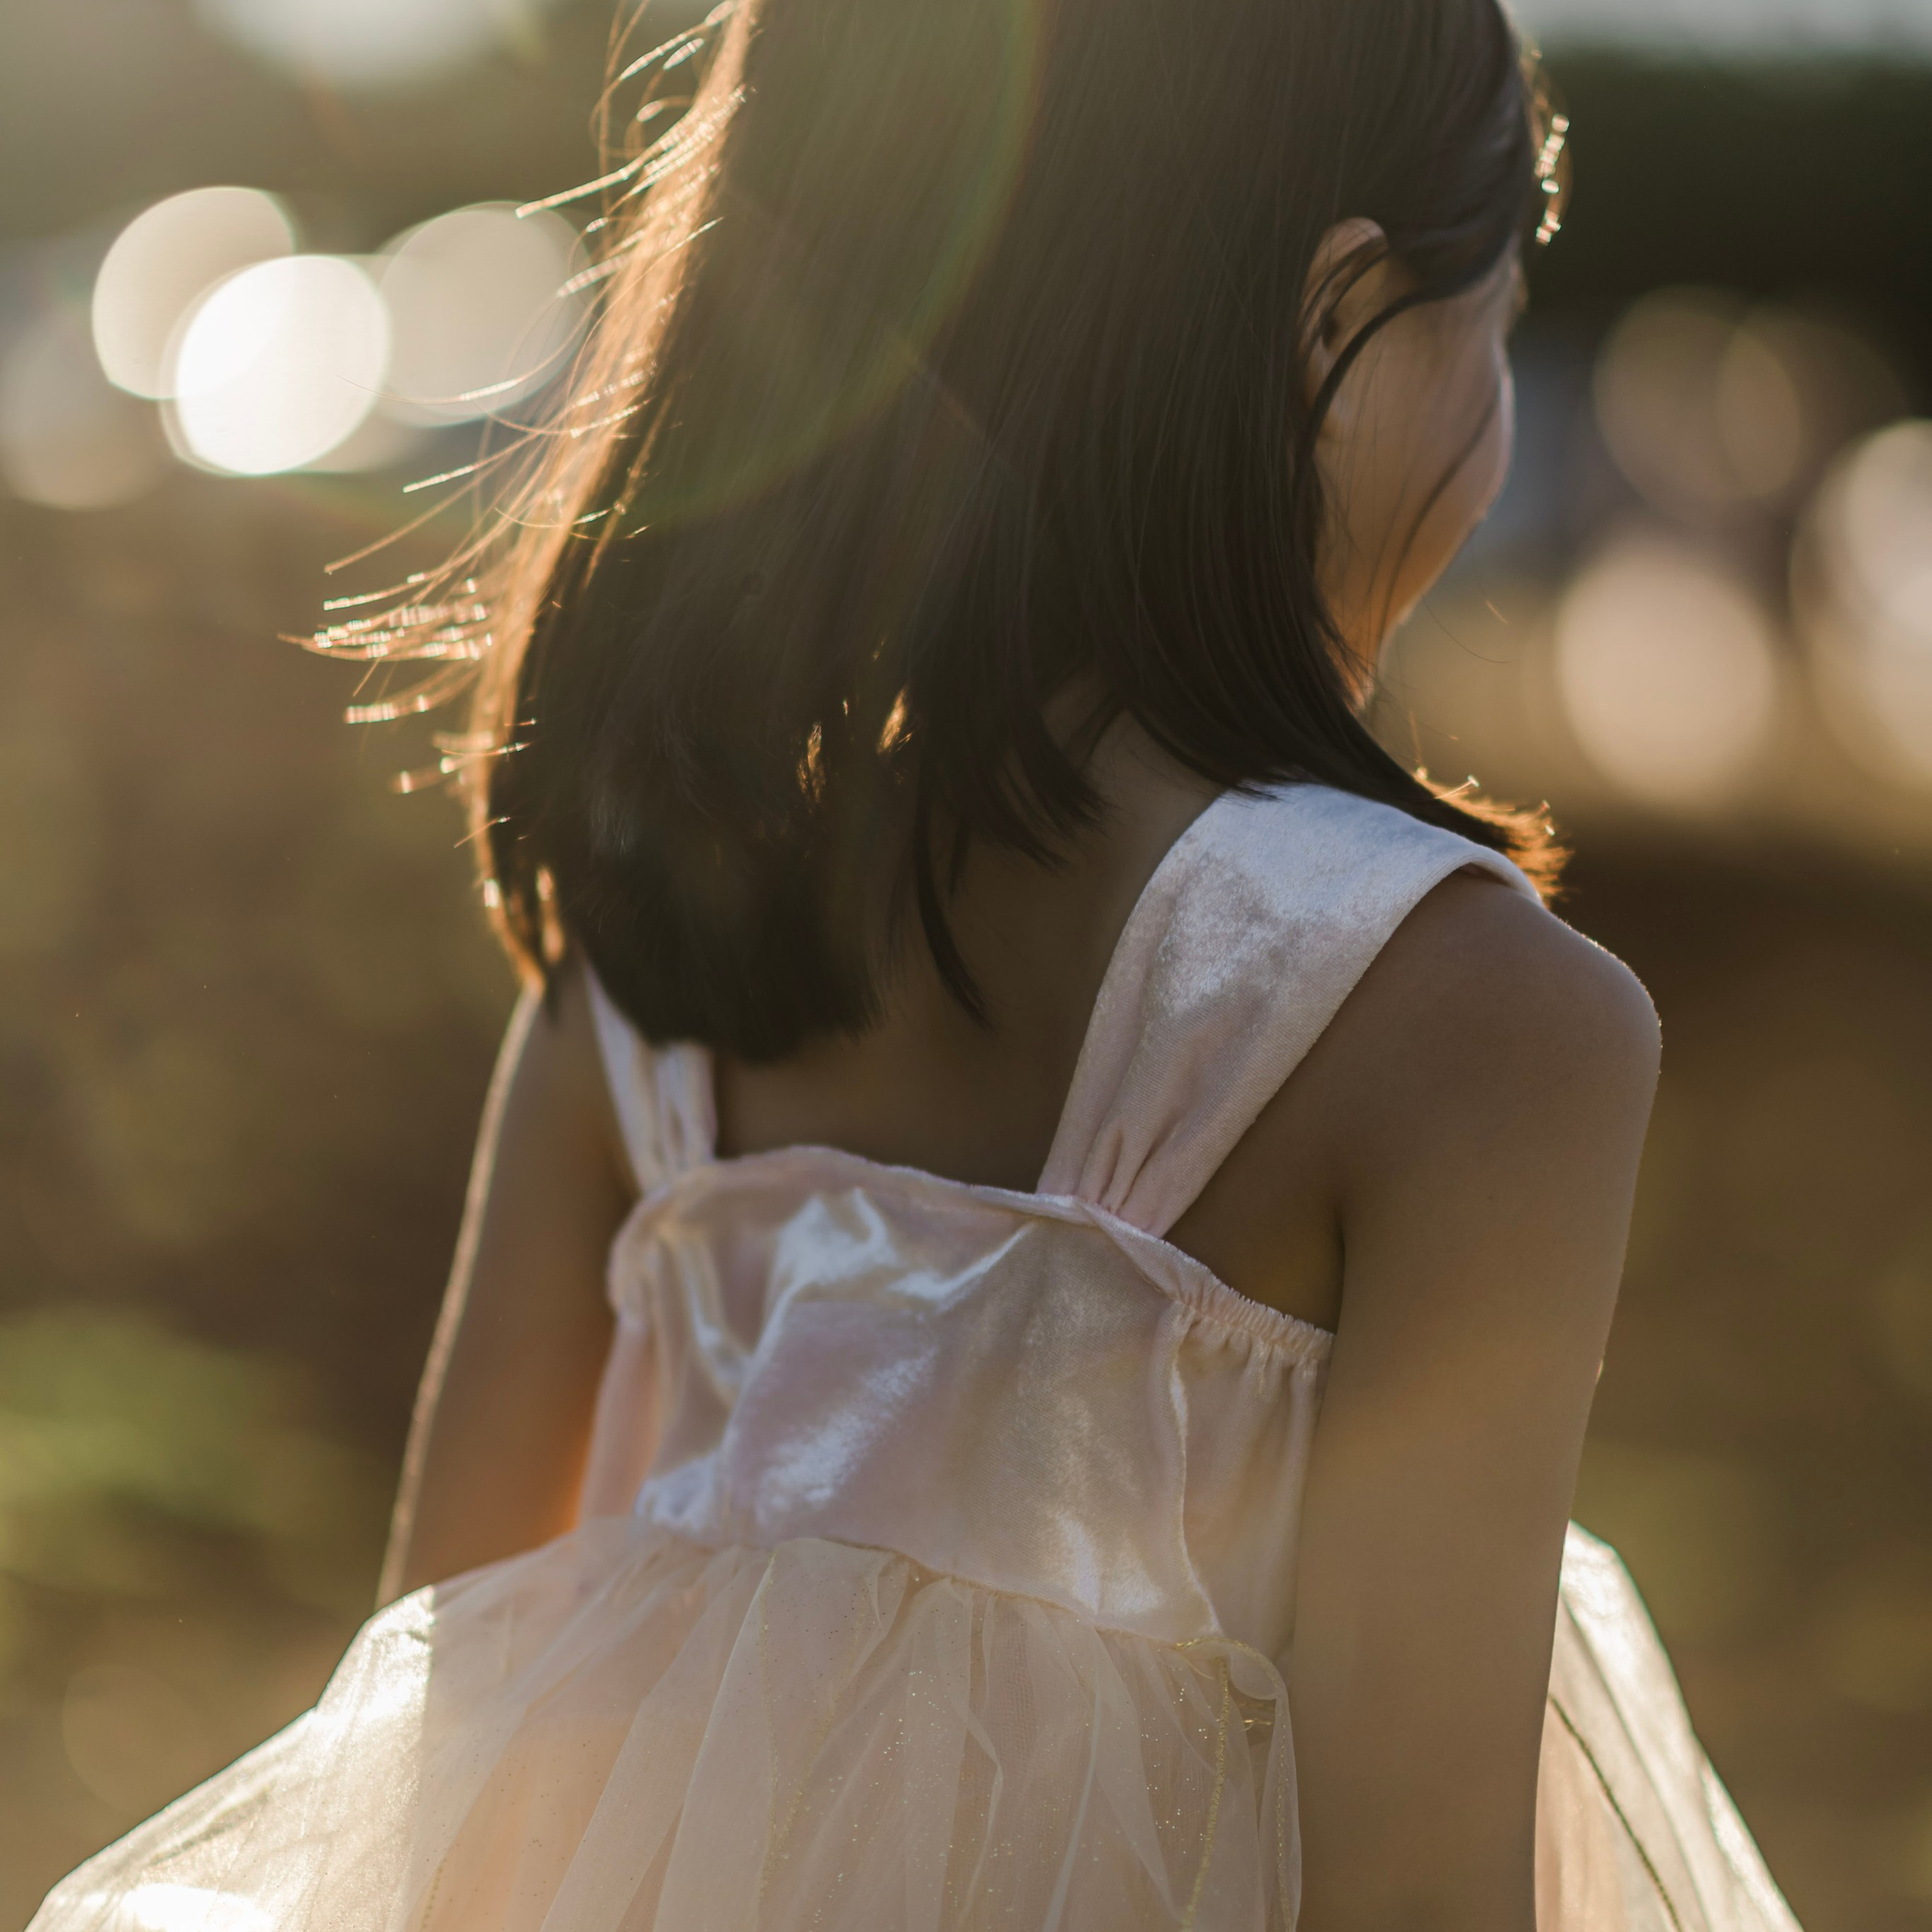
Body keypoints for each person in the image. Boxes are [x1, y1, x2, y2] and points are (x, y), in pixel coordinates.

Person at [34, 0, 1801, 1927]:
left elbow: (437, 1759)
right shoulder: (1471, 1021)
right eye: (1500, 310)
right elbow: (1413, 1890)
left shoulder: (648, 962)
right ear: (1337, 315)